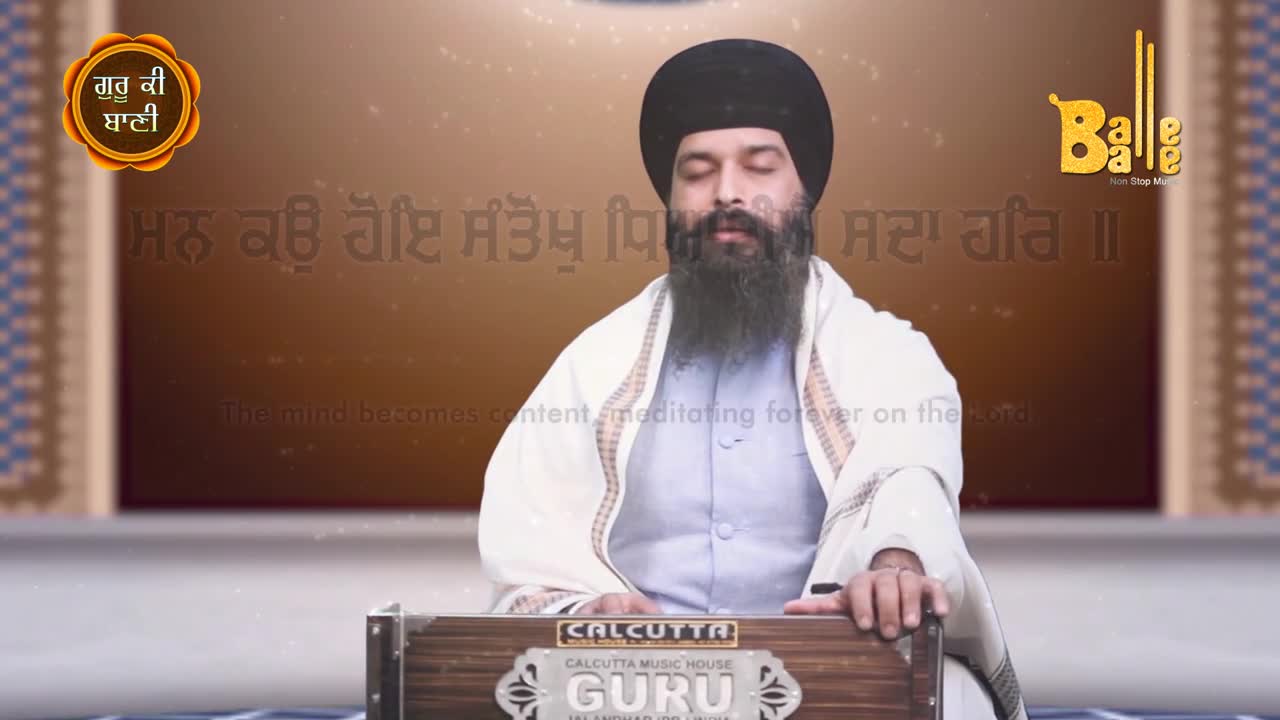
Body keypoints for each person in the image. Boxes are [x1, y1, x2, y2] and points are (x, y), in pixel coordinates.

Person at [478, 38, 1025, 720]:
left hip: (829, 678)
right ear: (671, 196)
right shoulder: (593, 367)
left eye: (759, 167)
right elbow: (532, 540)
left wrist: (893, 564)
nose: (727, 194)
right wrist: (584, 608)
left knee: (951, 705)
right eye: (698, 172)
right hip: (628, 687)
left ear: (805, 189)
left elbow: (909, 474)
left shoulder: (885, 353)